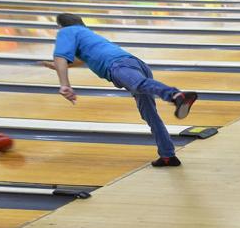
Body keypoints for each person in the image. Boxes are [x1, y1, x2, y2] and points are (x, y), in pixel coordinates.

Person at [45, 13, 197, 168]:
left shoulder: (66, 31)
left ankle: (176, 95)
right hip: (135, 63)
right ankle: (167, 155)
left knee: (139, 84)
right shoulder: (86, 33)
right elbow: (83, 58)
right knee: (150, 114)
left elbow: (61, 56)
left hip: (118, 66)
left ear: (61, 26)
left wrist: (65, 84)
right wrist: (59, 65)